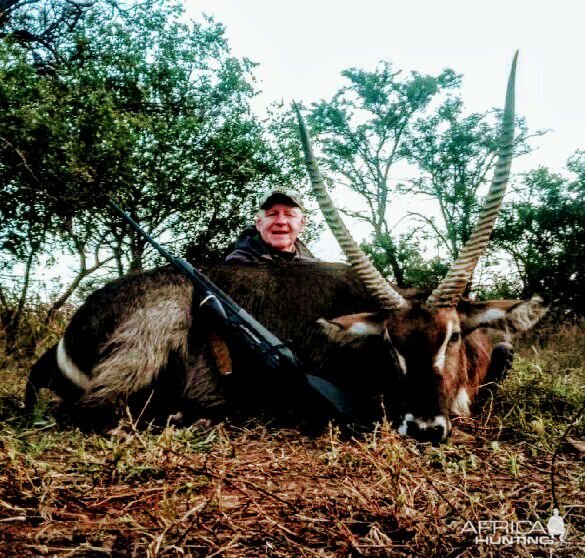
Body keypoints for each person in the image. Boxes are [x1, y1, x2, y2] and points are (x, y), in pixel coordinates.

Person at [225, 188, 316, 262]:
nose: (281, 221)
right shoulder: (234, 266)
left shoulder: (316, 267)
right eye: (272, 214)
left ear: (302, 224)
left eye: (289, 214)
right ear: (259, 223)